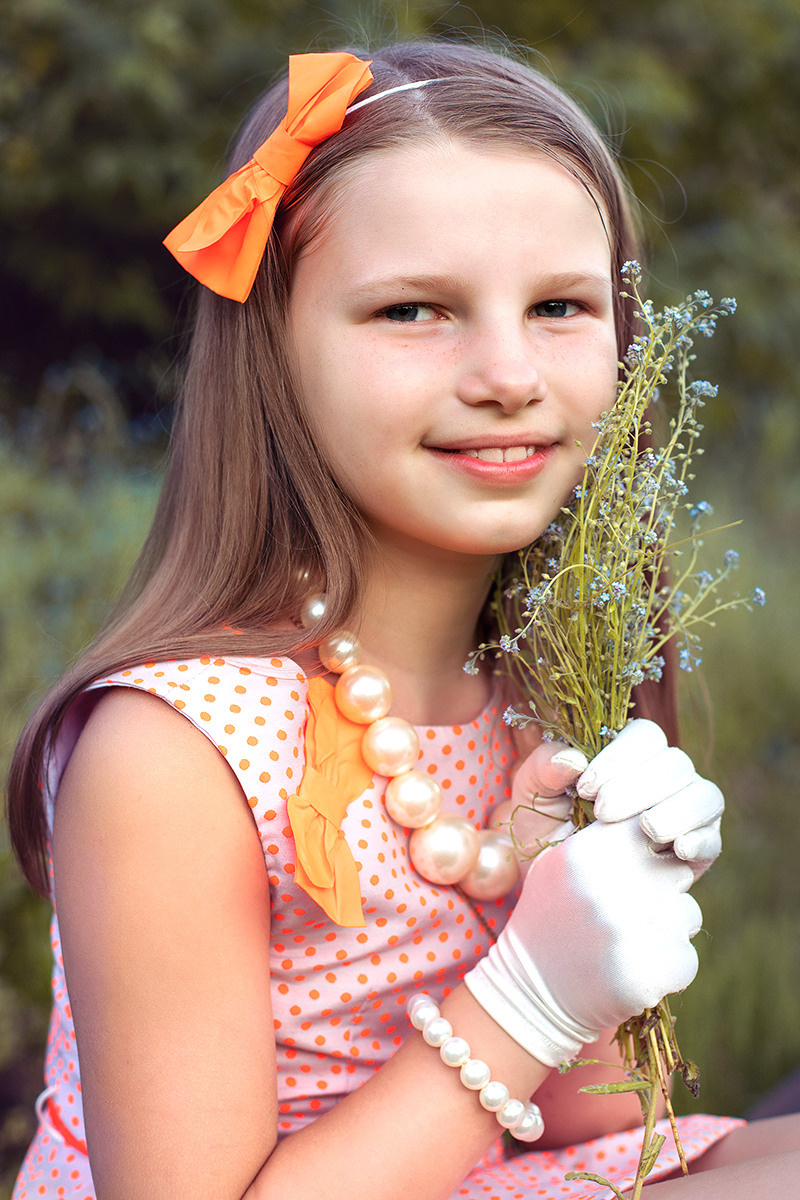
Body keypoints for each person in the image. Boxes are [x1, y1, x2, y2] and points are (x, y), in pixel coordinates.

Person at [7, 40, 800, 1200]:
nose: (505, 371)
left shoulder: (534, 691)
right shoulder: (174, 750)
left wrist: (593, 925)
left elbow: (573, 1129)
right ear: (273, 348)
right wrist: (526, 988)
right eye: (414, 310)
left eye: (559, 306)